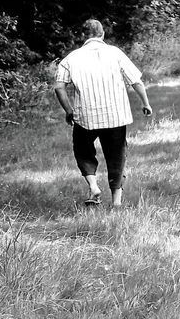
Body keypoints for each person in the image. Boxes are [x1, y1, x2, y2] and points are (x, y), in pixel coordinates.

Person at [54, 19, 153, 207]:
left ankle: (93, 186)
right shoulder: (115, 53)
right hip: (115, 115)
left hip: (85, 117)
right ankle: (116, 202)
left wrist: (69, 111)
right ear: (103, 34)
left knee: (83, 150)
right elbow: (136, 81)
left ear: (83, 36)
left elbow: (59, 87)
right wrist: (145, 103)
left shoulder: (71, 58)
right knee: (117, 155)